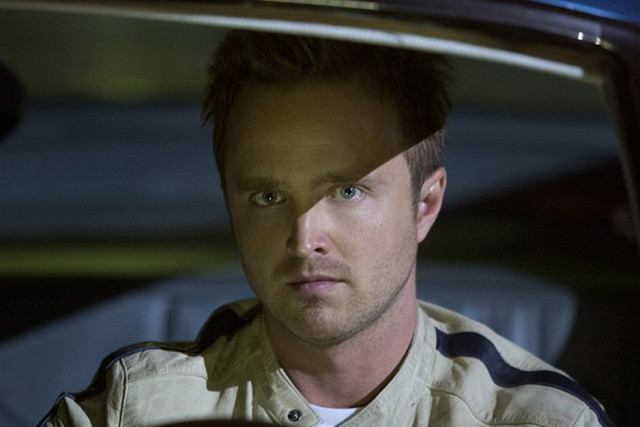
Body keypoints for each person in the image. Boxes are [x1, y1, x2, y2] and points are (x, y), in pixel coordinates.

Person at [40, 30, 612, 427]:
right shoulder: (135, 410)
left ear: (426, 204)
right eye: (268, 196)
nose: (303, 237)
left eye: (347, 191)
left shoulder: (541, 421)